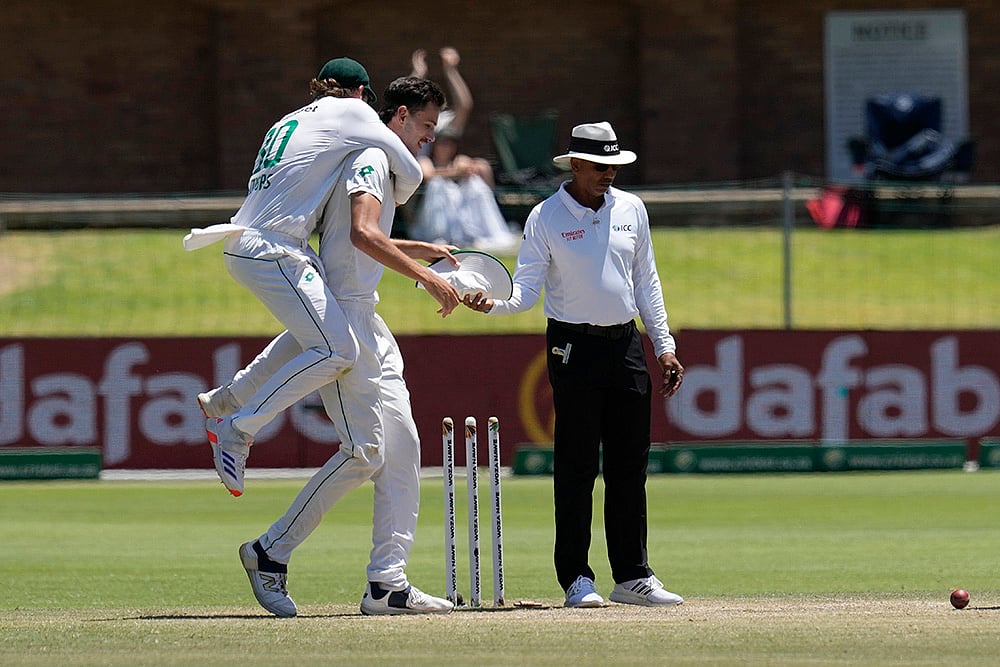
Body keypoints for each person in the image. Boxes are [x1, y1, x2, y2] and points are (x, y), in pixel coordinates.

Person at [198, 75, 460, 617]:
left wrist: (422, 251)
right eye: (427, 126)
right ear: (402, 117)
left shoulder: (367, 155)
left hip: (367, 317)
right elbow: (363, 235)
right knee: (365, 453)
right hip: (346, 314)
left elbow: (353, 237)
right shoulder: (369, 156)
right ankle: (270, 552)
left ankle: (388, 584)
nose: (430, 138)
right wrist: (425, 275)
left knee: (404, 449)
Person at [462, 121, 686, 608]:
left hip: (625, 343)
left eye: (615, 165)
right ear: (577, 165)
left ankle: (632, 575)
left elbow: (646, 282)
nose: (610, 174)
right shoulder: (545, 216)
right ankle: (576, 579)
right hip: (572, 346)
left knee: (630, 466)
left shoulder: (631, 209)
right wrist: (491, 304)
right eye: (602, 166)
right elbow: (523, 292)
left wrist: (663, 345)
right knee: (577, 465)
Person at [405, 47, 519, 253]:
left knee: (479, 172)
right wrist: (417, 75)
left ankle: (481, 229)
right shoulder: (414, 125)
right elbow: (426, 171)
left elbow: (465, 104)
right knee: (438, 186)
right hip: (418, 190)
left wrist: (451, 70)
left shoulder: (446, 124)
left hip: (451, 185)